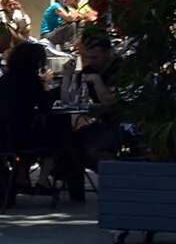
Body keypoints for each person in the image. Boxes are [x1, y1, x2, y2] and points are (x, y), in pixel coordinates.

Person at [0, 38, 57, 210]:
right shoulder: (31, 81)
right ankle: (42, 180)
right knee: (56, 137)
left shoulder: (5, 79)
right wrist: (47, 86)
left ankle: (21, 178)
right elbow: (45, 105)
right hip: (17, 137)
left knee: (29, 134)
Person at [54, 31, 126, 202]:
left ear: (107, 54)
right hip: (97, 123)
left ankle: (118, 177)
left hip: (121, 122)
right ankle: (76, 195)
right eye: (86, 57)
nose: (90, 62)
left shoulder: (119, 71)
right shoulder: (86, 70)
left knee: (91, 147)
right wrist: (67, 76)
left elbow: (111, 102)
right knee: (67, 143)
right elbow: (68, 100)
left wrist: (96, 81)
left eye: (95, 57)